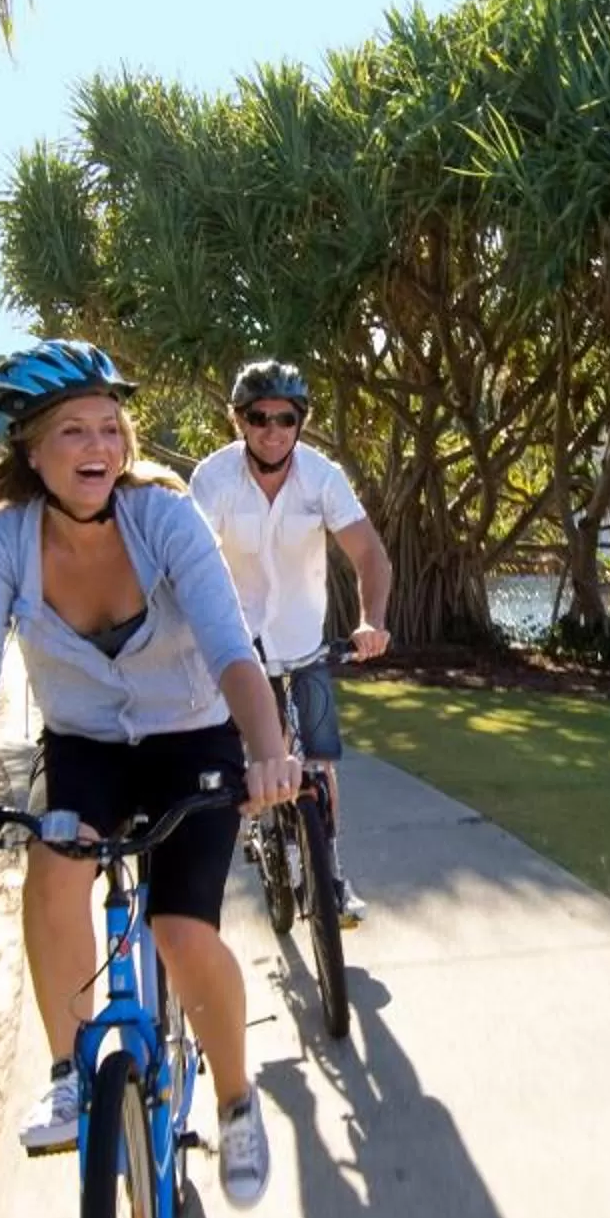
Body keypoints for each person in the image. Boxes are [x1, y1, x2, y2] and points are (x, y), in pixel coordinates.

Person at [0, 340, 297, 1207]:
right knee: (54, 868)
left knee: (179, 930)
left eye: (109, 427)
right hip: (85, 745)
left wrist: (268, 748)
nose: (98, 445)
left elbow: (230, 645)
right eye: (72, 430)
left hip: (192, 738)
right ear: (29, 449)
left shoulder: (165, 518)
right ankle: (67, 1070)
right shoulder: (1, 543)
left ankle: (237, 1101)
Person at [186, 359, 395, 926]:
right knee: (261, 755)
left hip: (305, 642)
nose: (273, 430)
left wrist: (370, 620)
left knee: (318, 762)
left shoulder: (321, 477)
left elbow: (368, 554)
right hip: (237, 645)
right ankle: (262, 833)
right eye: (259, 418)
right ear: (239, 421)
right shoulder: (213, 479)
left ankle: (331, 873)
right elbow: (189, 557)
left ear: (300, 422)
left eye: (285, 418)